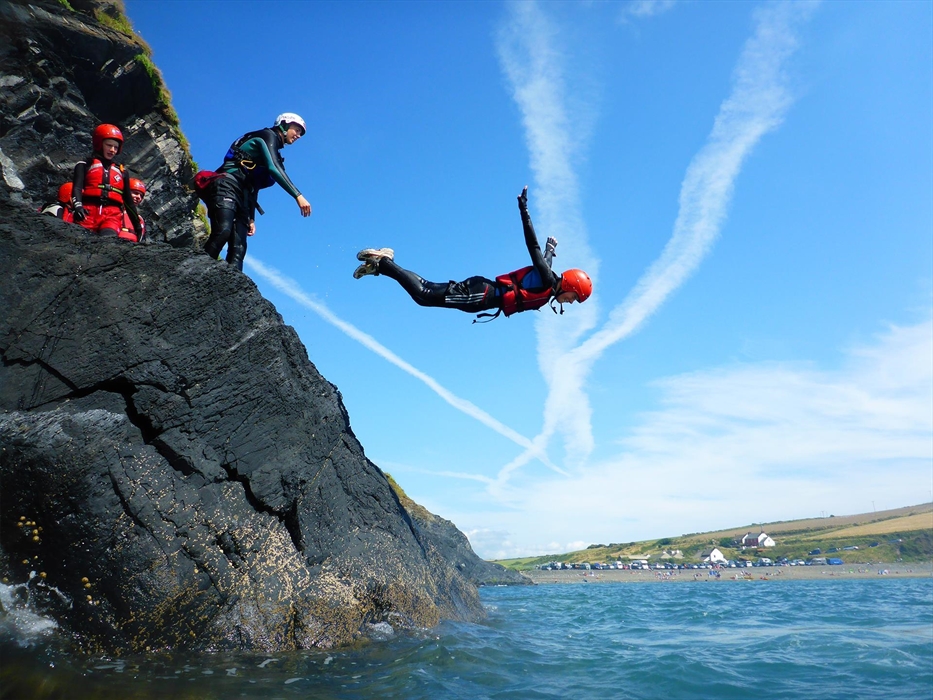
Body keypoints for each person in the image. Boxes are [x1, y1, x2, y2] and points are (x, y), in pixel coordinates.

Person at [353, 186, 592, 321]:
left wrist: (551, 250)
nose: (571, 301)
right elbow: (534, 249)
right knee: (423, 293)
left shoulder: (548, 281)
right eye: (574, 296)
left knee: (424, 294)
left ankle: (382, 265)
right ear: (570, 285)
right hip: (481, 294)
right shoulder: (548, 280)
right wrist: (524, 211)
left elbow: (545, 260)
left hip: (481, 295)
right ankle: (385, 262)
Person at [202, 113, 312, 270]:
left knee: (239, 248)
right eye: (297, 130)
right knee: (223, 231)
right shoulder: (267, 136)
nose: (298, 135)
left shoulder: (274, 150)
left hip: (243, 194)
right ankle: (196, 271)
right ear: (284, 125)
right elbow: (274, 168)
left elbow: (254, 185)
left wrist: (251, 218)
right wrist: (298, 196)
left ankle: (230, 284)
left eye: (301, 133)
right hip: (226, 184)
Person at [70, 124, 142, 240]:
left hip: (112, 216)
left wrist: (137, 226)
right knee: (82, 242)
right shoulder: (84, 165)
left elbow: (129, 202)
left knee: (108, 241)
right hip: (87, 212)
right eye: (109, 145)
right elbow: (77, 188)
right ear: (99, 144)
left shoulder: (122, 172)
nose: (112, 150)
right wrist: (78, 206)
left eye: (116, 147)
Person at [119, 178, 147, 243]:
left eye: (141, 196)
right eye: (135, 193)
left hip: (131, 246)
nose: (139, 197)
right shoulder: (113, 210)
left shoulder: (140, 219)